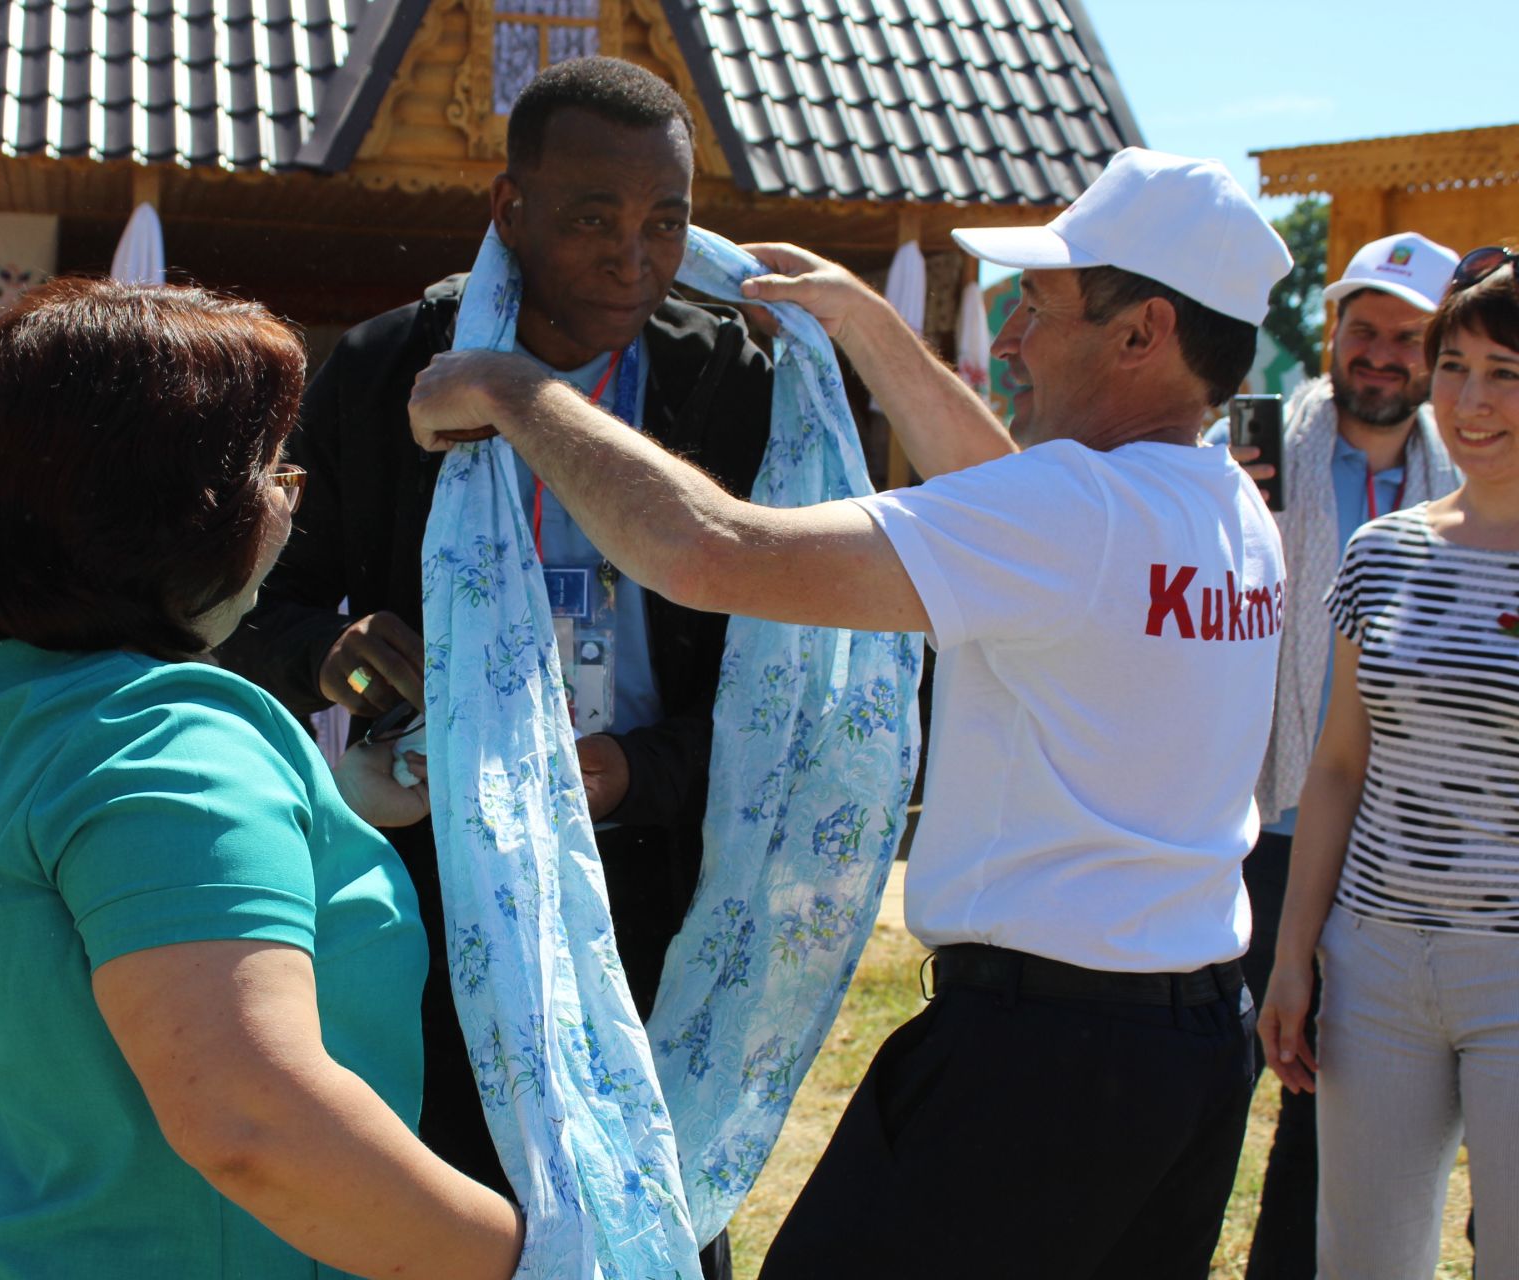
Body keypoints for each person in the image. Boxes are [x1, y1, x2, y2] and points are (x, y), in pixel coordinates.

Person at [411, 146, 1291, 1276]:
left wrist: (514, 389)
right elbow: (1007, 501)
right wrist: (870, 327)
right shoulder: (1222, 506)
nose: (1013, 337)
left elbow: (709, 551)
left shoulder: (1075, 516)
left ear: (1142, 332)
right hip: (1185, 1055)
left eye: (1042, 305)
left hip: (1038, 1062)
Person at [222, 57, 767, 1274]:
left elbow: (775, 677)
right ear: (508, 208)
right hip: (440, 875)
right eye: (593, 218)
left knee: (658, 1209)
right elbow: (261, 608)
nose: (636, 256)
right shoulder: (382, 370)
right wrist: (336, 655)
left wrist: (637, 769)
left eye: (667, 222)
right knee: (457, 1211)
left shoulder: (728, 381)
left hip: (649, 883)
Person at [0, 278, 521, 1280]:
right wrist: (530, 1259)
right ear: (170, 512)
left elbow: (78, 901)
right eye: (272, 470)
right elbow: (254, 1122)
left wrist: (327, 809)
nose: (287, 502)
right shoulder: (166, 740)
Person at [1258, 247, 1519, 1279]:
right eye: (1454, 364)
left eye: (1507, 372)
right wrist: (1294, 954)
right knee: (1362, 1260)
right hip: (1375, 965)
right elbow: (1337, 766)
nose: (1470, 398)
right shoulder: (1385, 549)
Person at [1206, 230, 1462, 1274]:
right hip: (1249, 824)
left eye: (1409, 337)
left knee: (1332, 1112)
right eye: (1365, 329)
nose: (1383, 354)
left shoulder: (1476, 469)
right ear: (1331, 331)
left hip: (1382, 850)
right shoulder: (1255, 446)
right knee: (1209, 1085)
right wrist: (1221, 492)